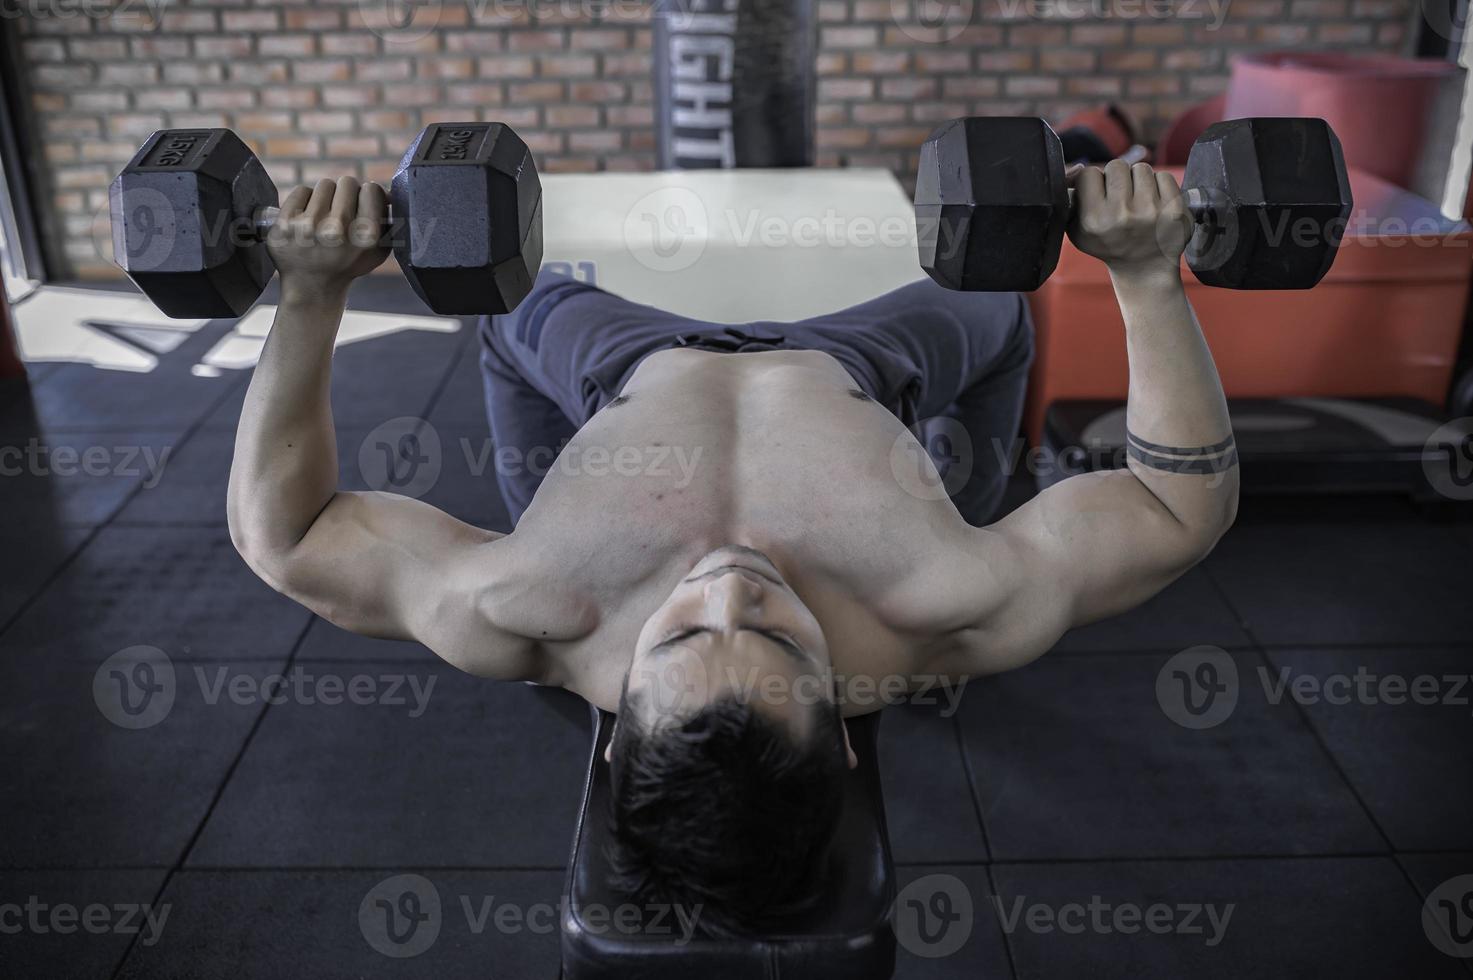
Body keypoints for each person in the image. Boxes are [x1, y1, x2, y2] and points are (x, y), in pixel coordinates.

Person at [227, 159, 1238, 936]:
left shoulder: (521, 606)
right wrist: (1148, 274)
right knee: (998, 302)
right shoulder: (946, 603)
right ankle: (959, 484)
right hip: (858, 364)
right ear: (844, 730)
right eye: (785, 638)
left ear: (618, 727)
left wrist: (311, 294)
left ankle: (555, 489)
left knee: (506, 309)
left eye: (675, 639)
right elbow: (1175, 508)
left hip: (627, 367)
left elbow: (286, 537)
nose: (727, 585)